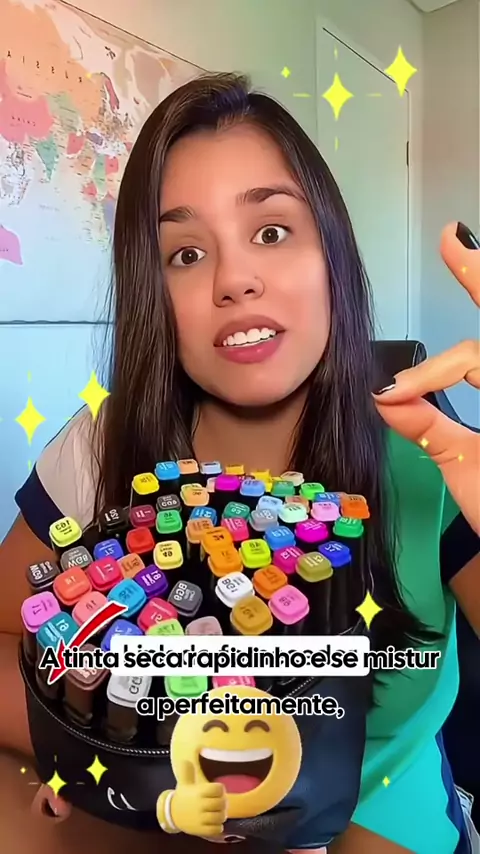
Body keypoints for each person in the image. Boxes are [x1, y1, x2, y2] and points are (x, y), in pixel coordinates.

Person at [0, 72, 479, 854]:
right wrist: (117, 768)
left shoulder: (435, 457)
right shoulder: (98, 446)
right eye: (186, 253)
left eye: (272, 232)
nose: (234, 280)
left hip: (390, 819)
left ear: (332, 255)